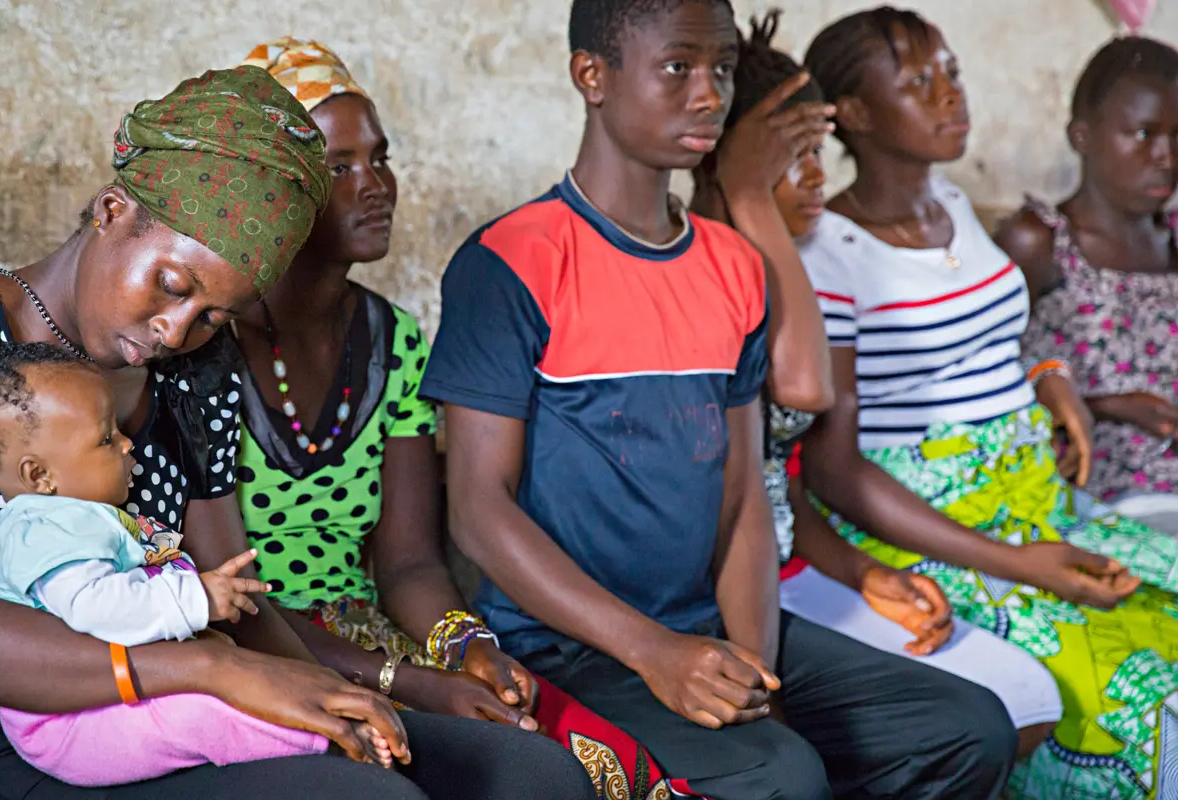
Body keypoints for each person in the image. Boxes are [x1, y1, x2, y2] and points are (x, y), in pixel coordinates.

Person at [0, 64, 592, 799]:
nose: (175, 330)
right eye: (172, 284)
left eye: (214, 315)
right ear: (111, 212)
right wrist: (216, 669)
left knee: (531, 775)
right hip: (9, 737)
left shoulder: (193, 370)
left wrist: (338, 689)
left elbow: (235, 585)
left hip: (182, 707)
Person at [423, 0, 1018, 797]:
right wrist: (654, 653)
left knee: (966, 729)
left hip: (707, 624)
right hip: (568, 645)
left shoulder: (731, 264)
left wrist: (758, 674)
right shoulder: (513, 260)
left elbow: (741, 501)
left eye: (723, 71)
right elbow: (478, 513)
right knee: (784, 778)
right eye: (678, 68)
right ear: (591, 76)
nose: (708, 95)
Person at [230, 37, 657, 798]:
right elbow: (226, 595)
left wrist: (466, 647)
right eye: (339, 168)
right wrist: (405, 680)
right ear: (275, 187)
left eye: (380, 158)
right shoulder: (207, 345)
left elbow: (409, 564)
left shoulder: (393, 343)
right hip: (261, 649)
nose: (376, 185)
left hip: (373, 636)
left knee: (600, 761)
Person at [799, 7, 1178, 798]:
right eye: (919, 84)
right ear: (857, 114)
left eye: (953, 74)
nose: (950, 97)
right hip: (940, 535)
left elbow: (992, 339)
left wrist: (1048, 378)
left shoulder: (955, 209)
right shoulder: (828, 251)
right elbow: (835, 472)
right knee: (1130, 692)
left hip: (1043, 503)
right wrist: (1018, 566)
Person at [690, 10, 1063, 744]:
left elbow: (784, 486)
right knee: (1000, 713)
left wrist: (864, 574)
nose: (816, 181)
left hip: (793, 562)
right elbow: (804, 395)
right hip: (714, 593)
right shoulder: (719, 270)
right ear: (725, 162)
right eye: (791, 158)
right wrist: (753, 197)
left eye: (818, 154)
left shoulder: (785, 257)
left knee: (1019, 703)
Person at [0, 342, 351, 786]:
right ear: (39, 476)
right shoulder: (44, 528)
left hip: (110, 702)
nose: (126, 444)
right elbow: (93, 608)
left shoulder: (79, 515)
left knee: (224, 690)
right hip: (72, 720)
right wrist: (195, 596)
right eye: (106, 438)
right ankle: (323, 744)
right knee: (205, 712)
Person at [996, 37, 1178, 528]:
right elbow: (986, 381)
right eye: (1143, 134)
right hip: (1093, 504)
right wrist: (1108, 407)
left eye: (1177, 136)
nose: (1165, 155)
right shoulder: (1039, 242)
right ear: (1082, 136)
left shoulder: (1175, 240)